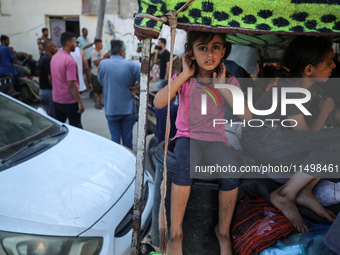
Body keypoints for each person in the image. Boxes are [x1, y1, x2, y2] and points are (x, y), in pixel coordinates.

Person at [154, 31, 252, 255]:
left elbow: (248, 117)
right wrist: (184, 74)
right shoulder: (185, 78)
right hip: (187, 137)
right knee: (185, 166)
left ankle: (223, 231)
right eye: (202, 48)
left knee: (231, 171)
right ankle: (176, 233)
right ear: (191, 53)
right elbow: (159, 102)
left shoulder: (229, 80)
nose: (210, 54)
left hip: (215, 139)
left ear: (224, 51)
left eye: (216, 47)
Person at [241, 36, 340, 234]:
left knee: (332, 141)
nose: (334, 65)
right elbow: (307, 137)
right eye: (329, 62)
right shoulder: (291, 92)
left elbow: (309, 139)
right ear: (309, 70)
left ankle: (303, 191)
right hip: (263, 143)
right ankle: (286, 194)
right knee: (333, 141)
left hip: (273, 143)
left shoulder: (298, 91)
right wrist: (324, 113)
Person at [97, 40, 140, 149]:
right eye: (125, 50)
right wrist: (136, 87)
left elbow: (101, 82)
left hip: (111, 109)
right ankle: (129, 162)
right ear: (121, 52)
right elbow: (147, 77)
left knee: (115, 139)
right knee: (127, 139)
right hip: (127, 109)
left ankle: (117, 161)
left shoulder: (103, 64)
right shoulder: (131, 65)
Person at [50, 31, 84, 128]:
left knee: (59, 128)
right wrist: (80, 102)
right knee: (77, 128)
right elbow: (71, 83)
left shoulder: (54, 57)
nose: (76, 44)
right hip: (70, 102)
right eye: (74, 42)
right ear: (69, 43)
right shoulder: (70, 60)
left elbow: (53, 78)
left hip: (57, 100)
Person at [38, 39, 58, 117]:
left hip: (44, 91)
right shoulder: (47, 59)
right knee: (51, 116)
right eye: (55, 47)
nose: (56, 49)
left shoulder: (43, 57)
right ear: (49, 48)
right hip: (48, 92)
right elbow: (50, 77)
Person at [91, 38, 107, 109]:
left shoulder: (101, 52)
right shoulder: (93, 52)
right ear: (97, 45)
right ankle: (96, 103)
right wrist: (105, 58)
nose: (102, 45)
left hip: (101, 73)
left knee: (101, 89)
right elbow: (96, 63)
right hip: (95, 73)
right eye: (100, 44)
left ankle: (102, 102)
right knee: (96, 89)